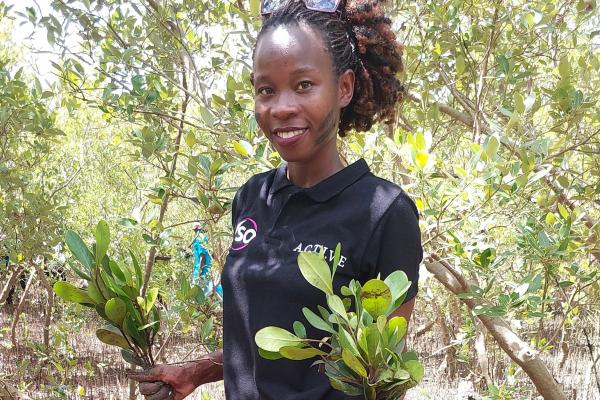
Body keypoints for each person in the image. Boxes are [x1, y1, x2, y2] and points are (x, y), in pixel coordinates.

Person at [128, 0, 422, 398]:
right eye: (266, 90)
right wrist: (196, 372)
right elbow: (259, 338)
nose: (281, 108)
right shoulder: (252, 197)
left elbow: (385, 375)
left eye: (304, 85)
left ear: (345, 88)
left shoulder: (384, 213)